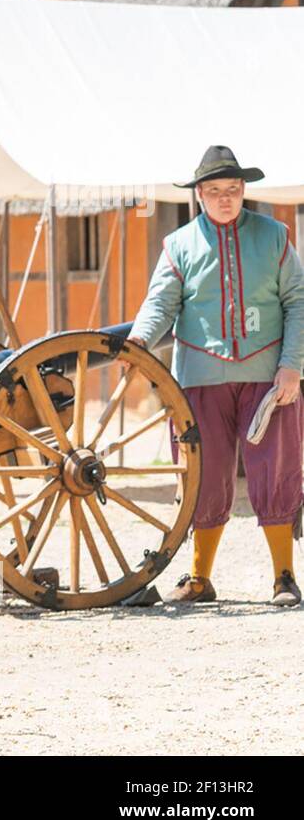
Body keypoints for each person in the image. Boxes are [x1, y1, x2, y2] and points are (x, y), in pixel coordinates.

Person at [129, 145, 304, 606]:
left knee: (275, 471)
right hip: (199, 378)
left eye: (232, 190)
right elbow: (161, 303)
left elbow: (298, 302)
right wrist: (140, 340)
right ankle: (199, 578)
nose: (224, 198)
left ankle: (284, 576)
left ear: (243, 190)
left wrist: (292, 367)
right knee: (204, 475)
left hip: (268, 377)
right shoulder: (179, 245)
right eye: (214, 191)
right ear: (199, 195)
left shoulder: (275, 236)